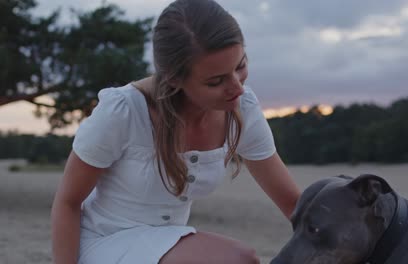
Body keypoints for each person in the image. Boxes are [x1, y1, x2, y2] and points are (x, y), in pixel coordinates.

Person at [51, 0, 301, 263]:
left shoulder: (242, 108)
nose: (236, 87)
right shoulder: (122, 111)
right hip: (104, 241)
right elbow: (68, 202)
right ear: (173, 78)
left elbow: (293, 204)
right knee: (235, 260)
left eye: (240, 66)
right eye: (216, 81)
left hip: (170, 243)